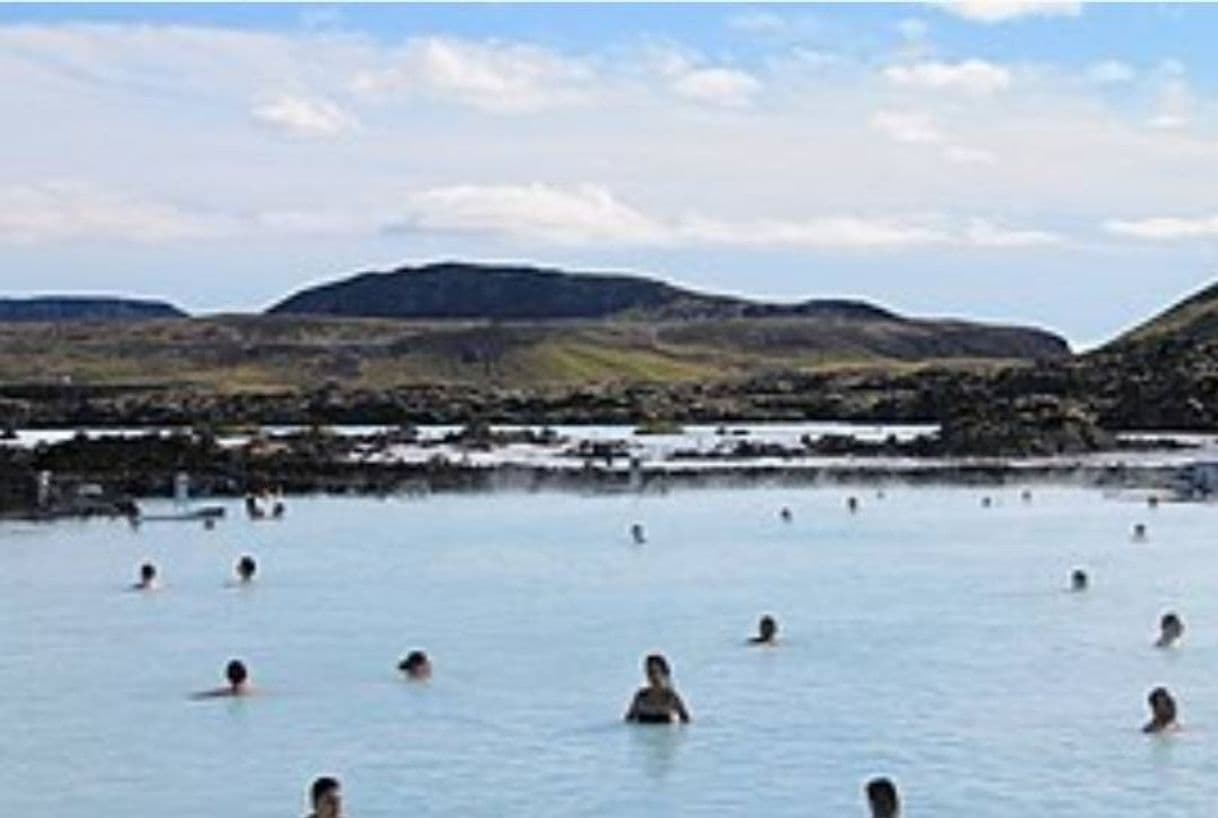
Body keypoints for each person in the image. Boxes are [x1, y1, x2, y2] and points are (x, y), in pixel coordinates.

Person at [624, 653, 690, 724]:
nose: (652, 676)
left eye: (655, 672)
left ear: (663, 673)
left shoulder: (671, 697)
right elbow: (628, 721)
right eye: (649, 672)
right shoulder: (641, 697)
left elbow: (686, 721)